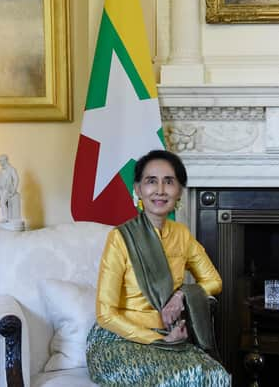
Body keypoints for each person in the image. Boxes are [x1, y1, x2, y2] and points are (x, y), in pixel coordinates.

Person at [86, 149, 230, 387]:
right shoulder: (121, 238)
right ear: (138, 189)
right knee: (184, 376)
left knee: (217, 375)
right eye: (151, 181)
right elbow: (105, 314)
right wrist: (155, 339)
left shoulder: (181, 235)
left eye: (169, 182)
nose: (160, 190)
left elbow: (214, 281)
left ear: (180, 191)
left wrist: (181, 295)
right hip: (117, 340)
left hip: (170, 336)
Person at [0, 154, 21, 223]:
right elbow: (0, 179)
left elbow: (16, 179)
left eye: (1, 161)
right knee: (2, 203)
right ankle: (6, 217)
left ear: (6, 160)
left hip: (8, 189)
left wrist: (14, 191)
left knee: (2, 202)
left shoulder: (11, 169)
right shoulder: (1, 170)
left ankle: (5, 218)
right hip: (1, 189)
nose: (0, 163)